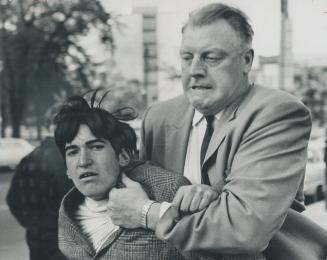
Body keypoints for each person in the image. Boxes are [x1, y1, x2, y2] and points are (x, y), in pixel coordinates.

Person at [106, 3, 313, 259]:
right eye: (187, 57)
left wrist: (147, 212)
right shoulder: (157, 118)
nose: (195, 70)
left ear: (246, 60)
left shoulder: (278, 114)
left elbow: (243, 230)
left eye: (211, 58)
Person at [53, 91, 216, 260]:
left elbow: (211, 252)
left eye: (95, 147)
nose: (83, 161)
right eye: (72, 152)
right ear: (67, 170)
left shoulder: (167, 189)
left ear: (123, 156)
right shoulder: (68, 211)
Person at [6, 134, 73, 260]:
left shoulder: (28, 159)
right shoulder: (64, 160)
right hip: (61, 242)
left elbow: (12, 200)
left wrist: (31, 224)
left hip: (36, 240)